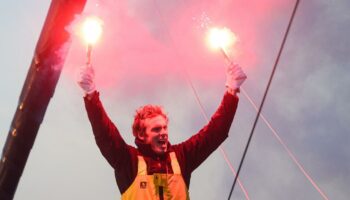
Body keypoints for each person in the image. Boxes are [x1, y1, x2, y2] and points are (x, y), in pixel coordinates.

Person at [77, 63, 246, 199]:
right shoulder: (127, 161)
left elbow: (214, 133)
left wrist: (232, 91)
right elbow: (105, 134)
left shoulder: (181, 157)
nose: (164, 133)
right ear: (141, 134)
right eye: (156, 129)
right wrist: (91, 94)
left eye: (165, 127)